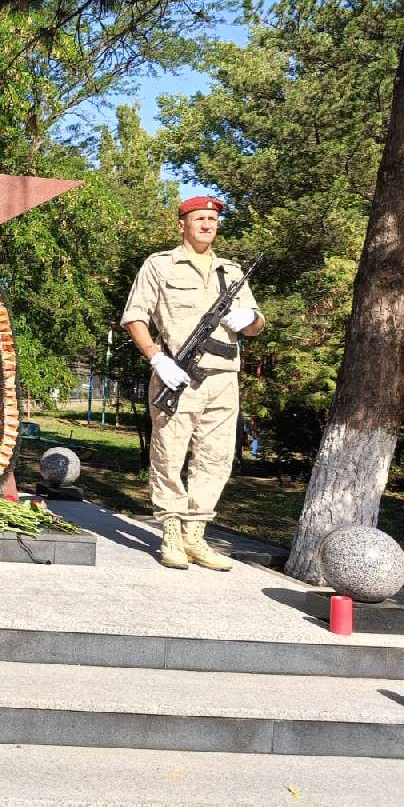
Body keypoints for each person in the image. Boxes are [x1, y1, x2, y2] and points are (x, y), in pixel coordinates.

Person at [121, 196, 265, 570]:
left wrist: (249, 319)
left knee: (216, 458)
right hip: (179, 375)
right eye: (199, 218)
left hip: (224, 378)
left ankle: (195, 535)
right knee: (169, 453)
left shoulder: (231, 272)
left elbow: (257, 323)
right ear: (182, 224)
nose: (207, 225)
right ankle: (170, 532)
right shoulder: (160, 265)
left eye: (212, 219)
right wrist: (156, 358)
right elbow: (135, 316)